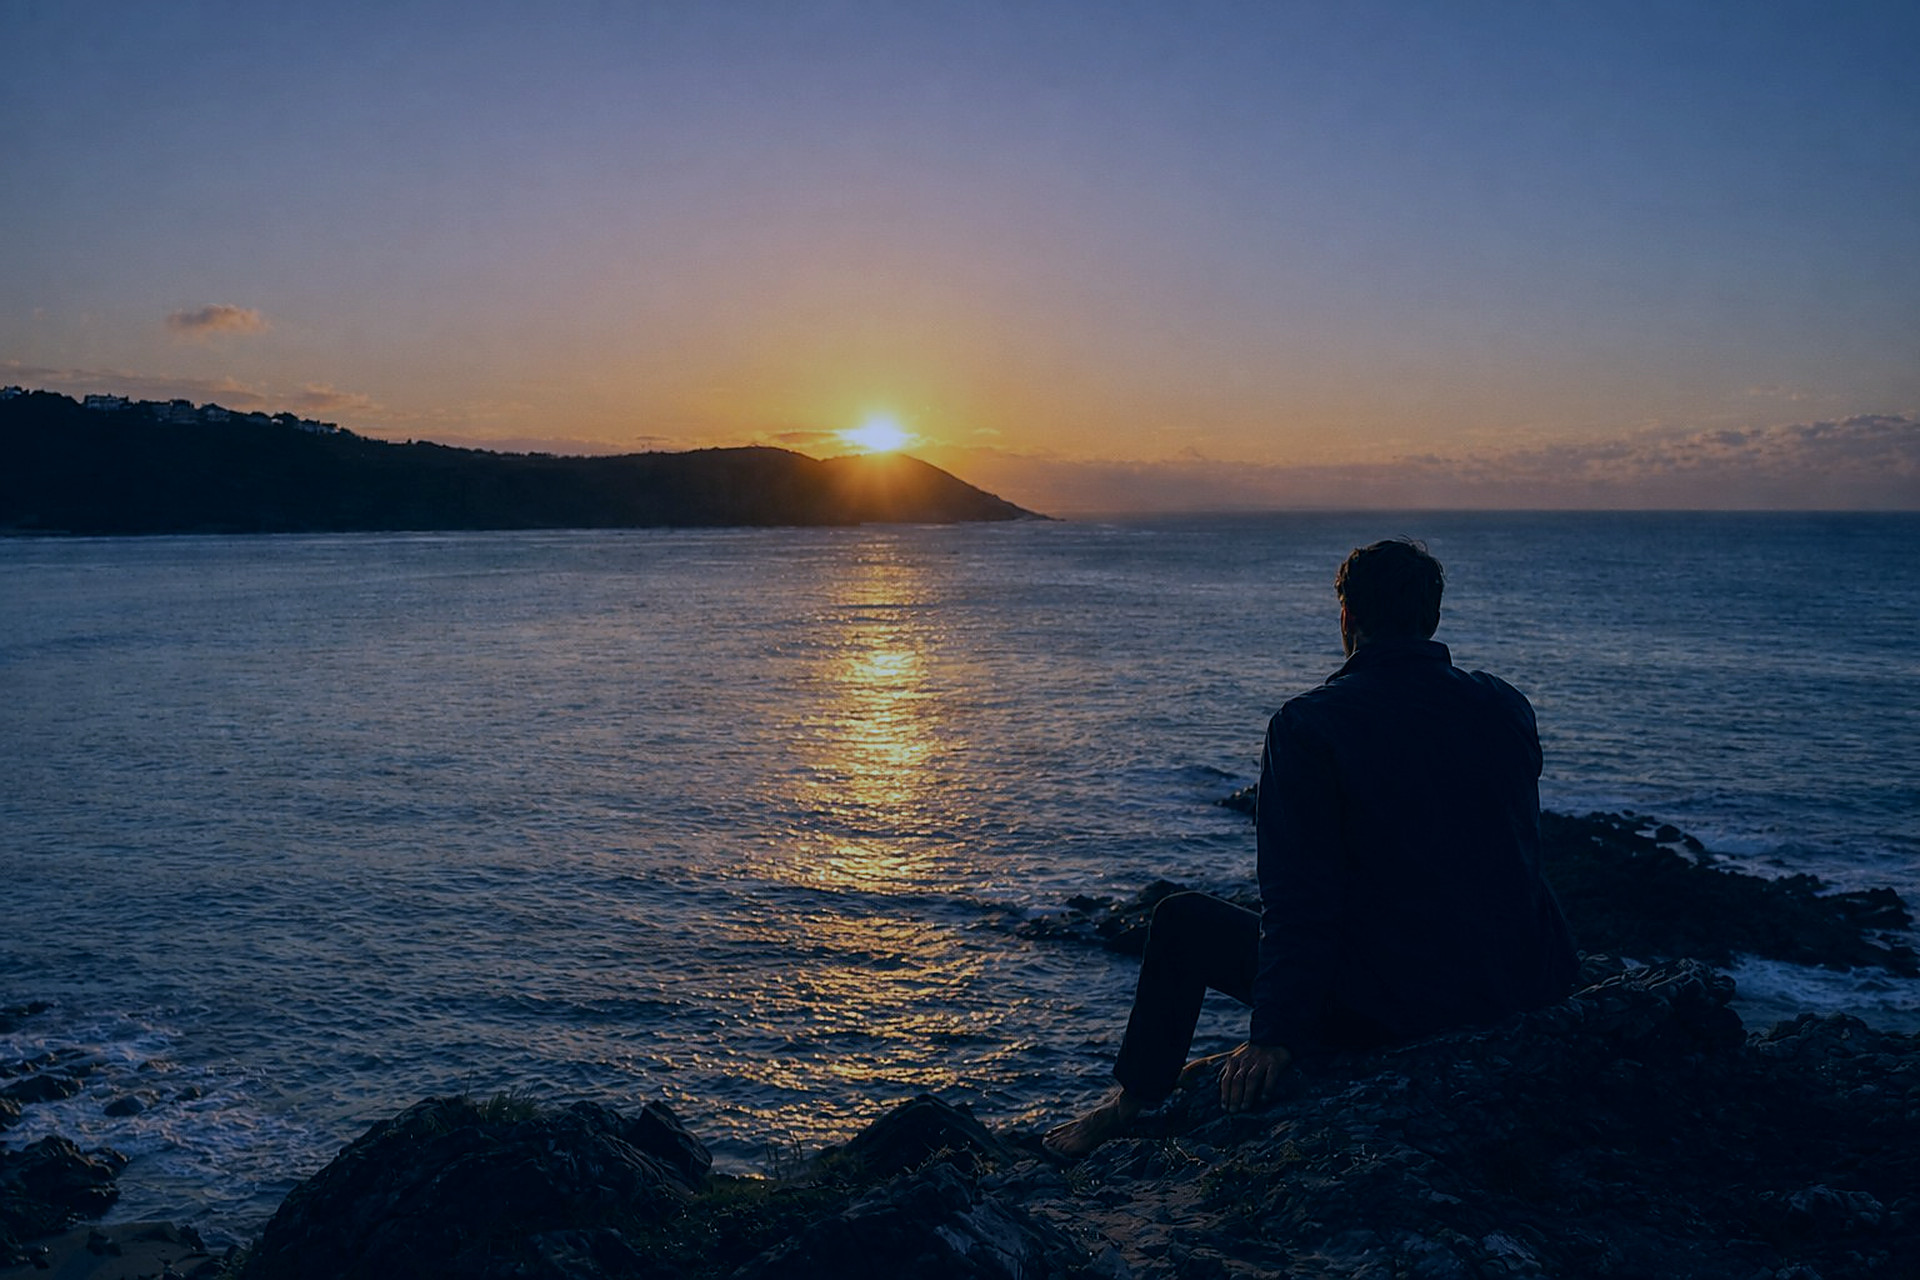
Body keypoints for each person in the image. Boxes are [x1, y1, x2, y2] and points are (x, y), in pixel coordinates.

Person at [1044, 538, 1578, 1157]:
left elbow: (1301, 899)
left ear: (1347, 617)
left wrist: (1275, 1035)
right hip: (1520, 984)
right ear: (1432, 617)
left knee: (1181, 921)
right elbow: (1511, 842)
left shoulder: (1308, 726)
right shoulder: (1505, 704)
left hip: (1401, 1008)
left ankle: (1132, 1105)